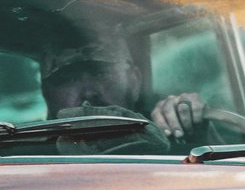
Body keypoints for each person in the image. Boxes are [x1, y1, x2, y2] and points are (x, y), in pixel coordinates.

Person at [39, 43, 208, 142]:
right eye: (68, 79)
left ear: (134, 81)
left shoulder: (165, 137)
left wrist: (186, 115)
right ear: (48, 94)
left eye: (101, 74)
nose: (89, 93)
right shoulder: (22, 158)